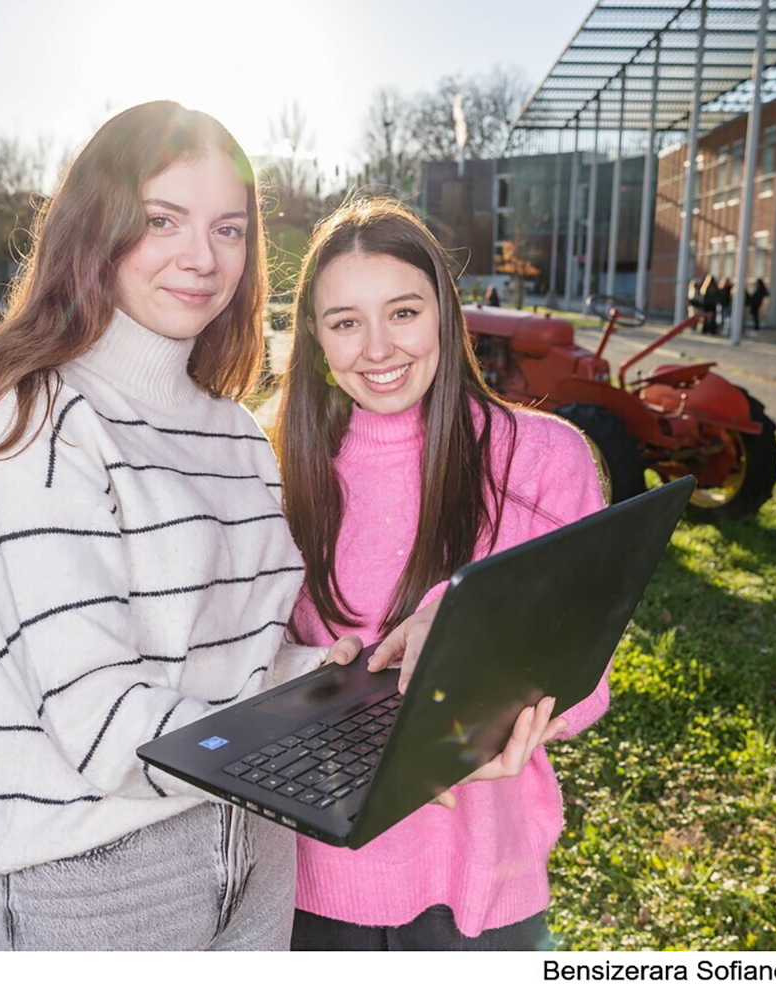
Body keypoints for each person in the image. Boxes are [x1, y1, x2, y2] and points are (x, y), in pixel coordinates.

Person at [0, 101, 359, 951]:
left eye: (229, 229)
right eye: (163, 220)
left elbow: (248, 661)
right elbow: (103, 728)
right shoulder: (35, 421)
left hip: (257, 847)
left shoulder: (233, 432)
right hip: (97, 873)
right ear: (99, 228)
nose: (203, 257)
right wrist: (312, 739)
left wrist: (340, 678)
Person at [274, 198, 612, 951]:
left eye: (402, 311)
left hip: (487, 887)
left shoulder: (543, 458)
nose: (376, 347)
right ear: (315, 336)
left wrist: (492, 675)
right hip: (313, 885)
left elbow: (591, 676)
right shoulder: (276, 470)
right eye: (344, 321)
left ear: (444, 313)